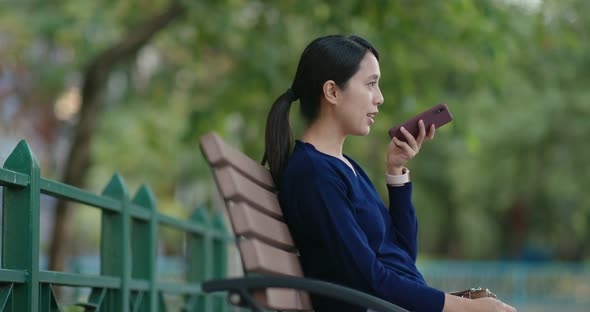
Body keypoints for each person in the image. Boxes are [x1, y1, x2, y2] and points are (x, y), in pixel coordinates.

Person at [262, 35, 516, 312]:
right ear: (332, 92)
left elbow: (402, 256)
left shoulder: (343, 166)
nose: (379, 98)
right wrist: (465, 308)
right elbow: (368, 279)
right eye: (371, 84)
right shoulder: (315, 175)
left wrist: (396, 172)